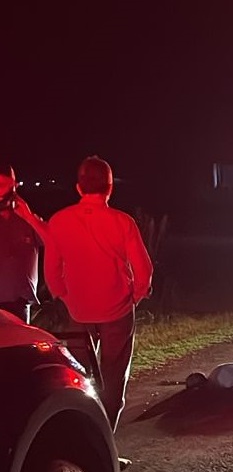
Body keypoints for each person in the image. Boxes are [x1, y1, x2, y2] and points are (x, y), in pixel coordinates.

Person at [43, 156, 153, 443]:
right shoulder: (122, 222)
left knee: (77, 379)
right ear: (109, 188)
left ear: (79, 188)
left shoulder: (59, 221)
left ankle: (78, 440)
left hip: (78, 310)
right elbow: (144, 270)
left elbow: (52, 273)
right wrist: (135, 297)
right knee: (114, 379)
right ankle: (104, 441)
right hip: (117, 310)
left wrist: (66, 299)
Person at [0, 166, 41, 323]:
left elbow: (50, 241)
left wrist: (30, 217)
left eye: (4, 186)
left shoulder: (26, 220)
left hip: (20, 303)